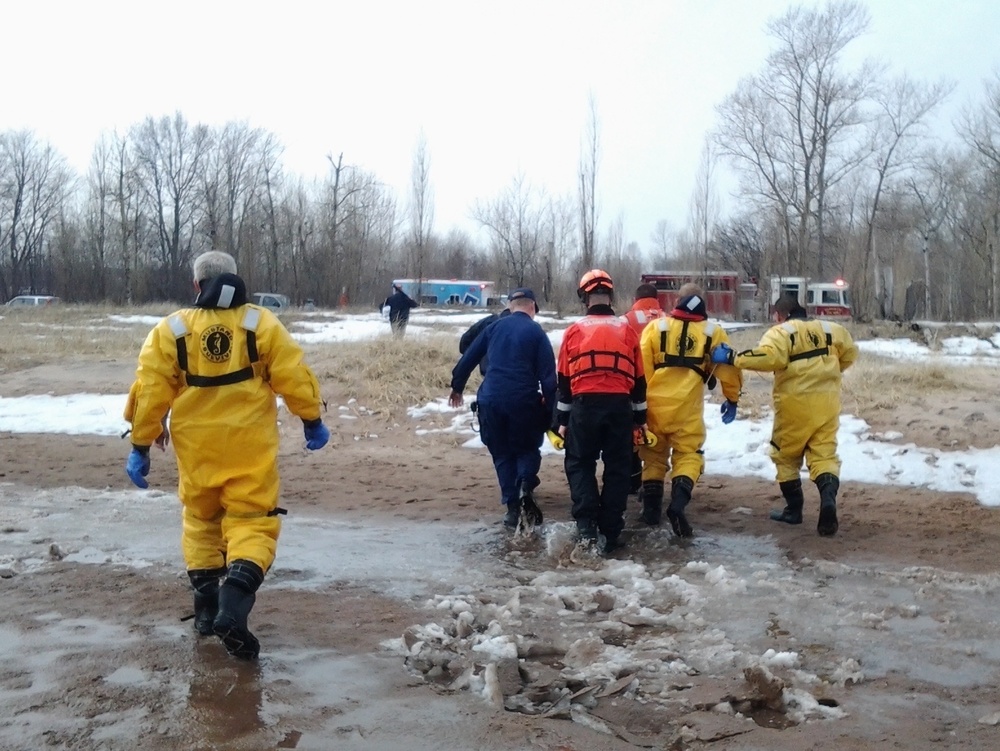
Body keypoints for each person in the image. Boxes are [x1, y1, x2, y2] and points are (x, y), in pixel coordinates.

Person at [123, 250, 329, 660]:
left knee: (201, 522)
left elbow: (149, 392)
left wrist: (140, 445)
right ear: (236, 279)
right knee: (252, 522)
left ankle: (205, 611)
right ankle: (233, 606)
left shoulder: (172, 330)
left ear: (196, 286)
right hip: (248, 448)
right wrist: (311, 419)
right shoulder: (260, 323)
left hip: (196, 450)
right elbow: (293, 372)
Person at [711, 295, 858, 536]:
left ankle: (794, 510)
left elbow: (770, 358)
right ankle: (828, 499)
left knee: (785, 456)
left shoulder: (780, 333)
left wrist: (732, 358)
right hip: (827, 403)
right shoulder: (833, 330)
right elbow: (850, 355)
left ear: (779, 315)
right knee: (824, 454)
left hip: (794, 404)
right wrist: (829, 372)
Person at [638, 283, 742, 537]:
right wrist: (732, 398)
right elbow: (728, 370)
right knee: (689, 456)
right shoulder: (713, 332)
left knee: (653, 458)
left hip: (655, 406)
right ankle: (677, 505)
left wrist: (641, 401)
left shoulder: (655, 327)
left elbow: (641, 367)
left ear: (677, 301)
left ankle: (651, 512)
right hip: (687, 410)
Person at [555, 269, 647, 554]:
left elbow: (564, 381)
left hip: (585, 406)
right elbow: (640, 382)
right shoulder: (627, 330)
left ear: (584, 297)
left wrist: (562, 421)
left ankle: (585, 528)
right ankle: (611, 531)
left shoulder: (574, 331)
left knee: (580, 463)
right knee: (618, 468)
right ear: (611, 296)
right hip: (619, 407)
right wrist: (640, 420)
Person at [449, 288, 555, 529]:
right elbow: (548, 378)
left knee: (502, 453)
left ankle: (512, 509)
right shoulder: (536, 332)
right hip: (523, 401)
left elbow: (468, 357)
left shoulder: (493, 328)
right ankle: (526, 484)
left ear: (510, 306)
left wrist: (457, 387)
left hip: (491, 401)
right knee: (527, 449)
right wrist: (552, 411)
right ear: (532, 308)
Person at [622, 283, 667, 495]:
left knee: (633, 433)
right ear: (657, 299)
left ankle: (633, 480)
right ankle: (654, 479)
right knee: (657, 438)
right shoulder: (669, 319)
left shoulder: (627, 319)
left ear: (636, 299)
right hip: (666, 391)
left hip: (635, 386)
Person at [459, 306, 512, 376]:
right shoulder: (528, 327)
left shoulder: (490, 321)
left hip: (489, 373)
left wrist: (479, 357)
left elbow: (465, 340)